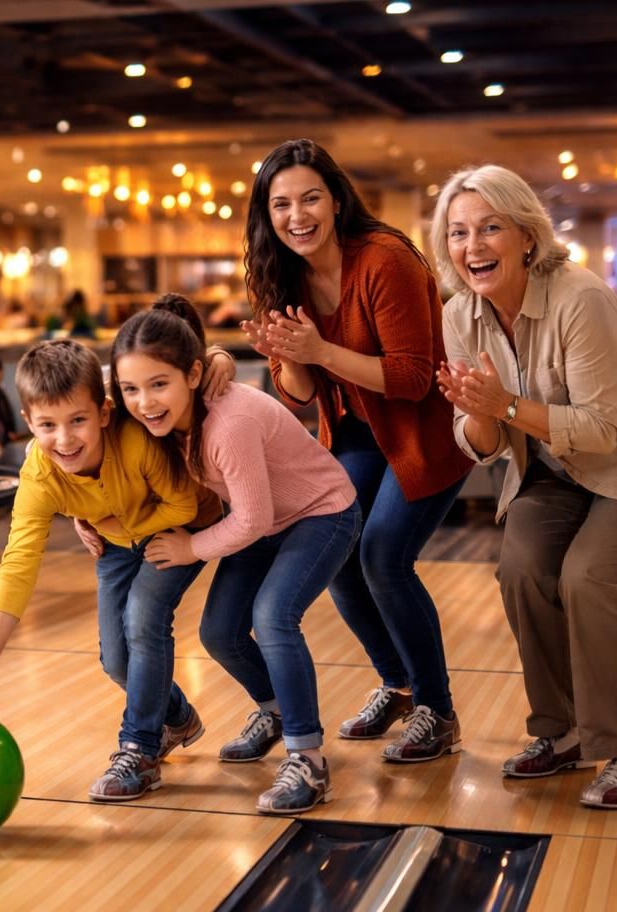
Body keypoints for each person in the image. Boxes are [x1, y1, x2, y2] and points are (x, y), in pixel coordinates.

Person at [433, 164, 617, 809]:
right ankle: (560, 734)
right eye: (457, 233)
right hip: (554, 471)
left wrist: (499, 405)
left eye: (490, 228)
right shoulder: (459, 315)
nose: (472, 246)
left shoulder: (579, 297)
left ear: (527, 236)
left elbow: (601, 430)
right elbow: (482, 443)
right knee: (521, 569)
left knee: (588, 578)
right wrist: (478, 411)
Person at [0, 338, 237, 802]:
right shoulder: (39, 474)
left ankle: (141, 750)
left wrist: (219, 356)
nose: (65, 439)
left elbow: (181, 503)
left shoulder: (133, 437)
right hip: (115, 543)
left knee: (144, 620)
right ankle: (176, 716)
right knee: (116, 660)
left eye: (78, 421)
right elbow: (17, 567)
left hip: (181, 530)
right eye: (47, 425)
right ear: (27, 423)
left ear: (104, 413)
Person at [242, 139, 473, 763]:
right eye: (281, 203)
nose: (297, 215)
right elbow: (300, 393)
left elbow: (411, 378)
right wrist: (290, 358)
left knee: (383, 555)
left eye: (310, 197)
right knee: (339, 555)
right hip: (353, 435)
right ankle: (397, 684)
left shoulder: (385, 259)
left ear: (337, 199)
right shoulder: (280, 272)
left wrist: (317, 351)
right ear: (266, 215)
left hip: (424, 430)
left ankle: (437, 710)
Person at [117, 295, 360, 814]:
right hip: (264, 520)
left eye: (159, 384)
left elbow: (249, 520)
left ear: (192, 375)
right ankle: (275, 711)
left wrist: (190, 549)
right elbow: (85, 416)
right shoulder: (152, 415)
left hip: (321, 512)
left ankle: (309, 760)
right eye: (131, 389)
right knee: (219, 633)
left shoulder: (228, 423)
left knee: (273, 617)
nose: (145, 402)